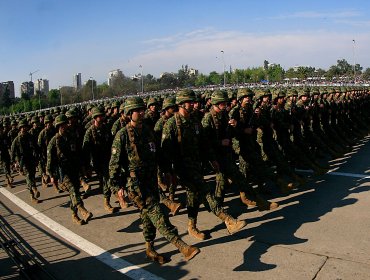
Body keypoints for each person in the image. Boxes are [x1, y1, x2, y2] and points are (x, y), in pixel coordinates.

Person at [109, 96, 200, 264]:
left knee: (147, 216)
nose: (142, 112)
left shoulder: (148, 131)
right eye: (138, 110)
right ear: (130, 113)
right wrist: (117, 187)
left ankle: (149, 248)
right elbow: (113, 165)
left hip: (151, 180)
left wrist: (165, 171)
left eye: (142, 110)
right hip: (136, 185)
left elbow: (158, 153)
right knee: (157, 213)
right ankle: (182, 246)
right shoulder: (122, 135)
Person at [161, 89, 246, 240]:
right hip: (182, 168)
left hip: (196, 165)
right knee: (205, 191)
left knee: (193, 196)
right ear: (181, 103)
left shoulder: (194, 120)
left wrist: (212, 159)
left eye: (193, 101)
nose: (193, 104)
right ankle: (228, 220)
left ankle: (191, 226)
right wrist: (168, 173)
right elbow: (165, 152)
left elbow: (203, 143)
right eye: (190, 102)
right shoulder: (171, 124)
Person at [47, 114, 93, 225]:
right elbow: (50, 160)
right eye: (61, 125)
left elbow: (78, 153)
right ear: (58, 126)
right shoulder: (54, 142)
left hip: (74, 169)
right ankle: (83, 210)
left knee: (75, 191)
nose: (64, 127)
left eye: (65, 124)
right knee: (72, 189)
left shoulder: (71, 137)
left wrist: (84, 168)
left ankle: (74, 215)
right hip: (63, 172)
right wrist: (51, 175)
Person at [83, 106, 116, 213]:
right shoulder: (89, 132)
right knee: (105, 179)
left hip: (107, 159)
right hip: (96, 161)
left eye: (102, 116)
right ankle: (108, 198)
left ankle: (107, 202)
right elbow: (86, 150)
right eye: (100, 116)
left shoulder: (106, 128)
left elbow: (112, 143)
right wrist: (87, 167)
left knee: (107, 179)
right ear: (95, 117)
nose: (102, 118)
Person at [11, 119, 41, 203]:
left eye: (25, 127)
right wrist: (14, 163)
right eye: (22, 127)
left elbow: (36, 147)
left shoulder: (30, 137)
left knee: (32, 175)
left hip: (31, 159)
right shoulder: (17, 140)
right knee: (28, 176)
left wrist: (38, 157)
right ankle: (33, 192)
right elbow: (12, 152)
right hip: (22, 161)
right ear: (20, 128)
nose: (24, 129)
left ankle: (33, 192)